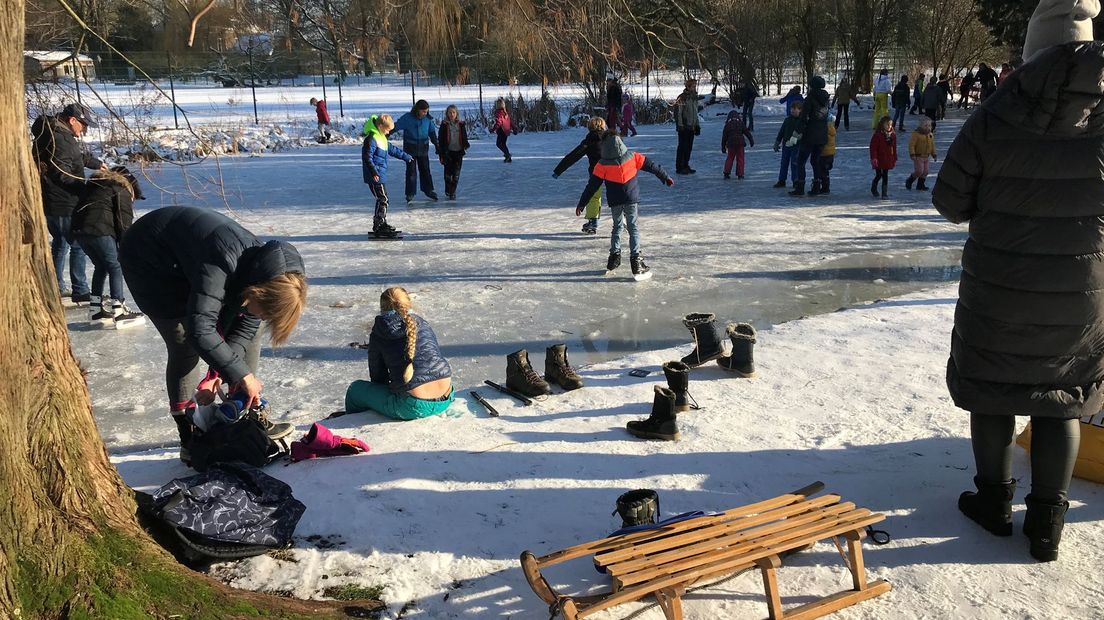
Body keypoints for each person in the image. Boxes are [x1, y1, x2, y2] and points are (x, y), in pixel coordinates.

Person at [933, 0, 1101, 563]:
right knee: (1063, 397)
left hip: (999, 286)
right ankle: (1048, 523)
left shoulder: (997, 112)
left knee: (995, 389)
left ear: (1032, 50)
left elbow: (949, 200)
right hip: (1083, 294)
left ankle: (994, 502)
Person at [118, 207, 307, 464]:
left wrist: (223, 374)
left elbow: (246, 328)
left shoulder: (265, 275)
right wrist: (238, 373)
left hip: (189, 261)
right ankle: (190, 434)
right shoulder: (224, 262)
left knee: (251, 333)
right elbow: (200, 329)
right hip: (150, 262)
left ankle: (245, 415)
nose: (264, 317)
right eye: (266, 312)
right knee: (184, 343)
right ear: (258, 293)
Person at [31, 102, 104, 303]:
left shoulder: (54, 134)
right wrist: (86, 187)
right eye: (84, 124)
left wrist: (94, 163)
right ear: (72, 120)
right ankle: (79, 290)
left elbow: (72, 158)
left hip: (52, 201)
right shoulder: (61, 139)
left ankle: (55, 286)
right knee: (77, 244)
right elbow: (61, 172)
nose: (85, 129)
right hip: (63, 201)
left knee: (61, 243)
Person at [345, 287, 453, 420]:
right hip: (447, 396)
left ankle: (347, 421)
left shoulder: (380, 330)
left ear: (382, 306)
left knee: (355, 390)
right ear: (408, 303)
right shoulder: (421, 322)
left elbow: (378, 377)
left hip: (413, 406)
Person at [577, 133, 674, 279]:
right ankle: (636, 261)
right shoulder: (633, 156)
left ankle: (614, 257)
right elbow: (652, 166)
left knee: (617, 226)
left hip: (615, 200)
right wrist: (665, 177)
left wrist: (582, 203)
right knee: (633, 227)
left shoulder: (602, 164)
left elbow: (592, 186)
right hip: (631, 198)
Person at [71, 166, 146, 329]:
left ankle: (95, 309)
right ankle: (118, 310)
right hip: (99, 230)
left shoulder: (96, 185)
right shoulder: (120, 189)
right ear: (131, 187)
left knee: (101, 266)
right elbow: (123, 221)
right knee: (115, 265)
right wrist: (125, 245)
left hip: (79, 230)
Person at [553, 116, 607, 234]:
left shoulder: (588, 141)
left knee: (593, 195)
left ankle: (593, 222)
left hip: (596, 172)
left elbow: (573, 156)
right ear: (603, 126)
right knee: (616, 193)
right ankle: (622, 219)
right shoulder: (610, 138)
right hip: (612, 170)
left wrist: (558, 170)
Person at [364, 114, 414, 237]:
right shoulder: (372, 139)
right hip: (374, 175)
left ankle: (381, 222)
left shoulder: (382, 138)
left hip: (380, 174)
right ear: (380, 126)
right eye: (387, 130)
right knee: (383, 199)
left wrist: (406, 157)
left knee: (382, 199)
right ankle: (379, 225)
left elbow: (392, 150)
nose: (388, 133)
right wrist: (374, 172)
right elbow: (367, 157)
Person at [391, 99, 439, 203]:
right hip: (410, 149)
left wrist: (436, 145)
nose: (425, 113)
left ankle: (428, 190)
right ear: (417, 109)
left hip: (423, 149)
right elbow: (395, 127)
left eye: (427, 111)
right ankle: (410, 193)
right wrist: (385, 134)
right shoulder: (407, 118)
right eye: (423, 111)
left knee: (425, 170)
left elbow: (432, 133)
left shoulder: (427, 119)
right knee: (411, 172)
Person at [792, 75, 830, 197]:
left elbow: (804, 118)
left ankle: (800, 187)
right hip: (822, 135)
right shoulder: (825, 99)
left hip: (810, 135)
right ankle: (817, 187)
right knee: (815, 161)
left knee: (801, 161)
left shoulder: (810, 98)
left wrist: (796, 133)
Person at [437, 105, 470, 200]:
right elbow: (441, 139)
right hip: (448, 152)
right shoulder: (444, 125)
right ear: (447, 114)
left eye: (453, 112)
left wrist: (465, 144)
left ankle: (452, 192)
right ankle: (448, 189)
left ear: (456, 114)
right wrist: (441, 152)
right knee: (448, 174)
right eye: (450, 112)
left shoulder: (461, 124)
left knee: (456, 174)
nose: (452, 114)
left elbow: (464, 136)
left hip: (459, 152)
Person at [773, 101, 803, 189]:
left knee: (794, 163)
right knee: (784, 163)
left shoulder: (802, 121)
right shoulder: (787, 120)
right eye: (791, 109)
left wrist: (796, 140)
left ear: (800, 110)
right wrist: (777, 142)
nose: (793, 111)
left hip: (796, 146)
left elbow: (802, 133)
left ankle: (795, 181)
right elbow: (781, 132)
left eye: (795, 109)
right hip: (786, 145)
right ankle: (782, 180)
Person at [674, 78, 701, 174]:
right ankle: (679, 167)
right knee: (682, 147)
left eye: (695, 86)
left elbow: (695, 113)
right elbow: (678, 113)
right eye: (693, 86)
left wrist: (697, 125)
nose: (694, 88)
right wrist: (680, 125)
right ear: (688, 87)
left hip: (691, 126)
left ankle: (685, 164)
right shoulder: (682, 98)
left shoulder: (694, 98)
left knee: (689, 147)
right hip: (684, 127)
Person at [868, 115, 897, 200]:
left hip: (887, 159)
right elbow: (873, 147)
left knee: (885, 175)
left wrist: (894, 157)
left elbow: (894, 147)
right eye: (887, 125)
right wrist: (874, 158)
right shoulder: (878, 135)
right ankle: (874, 187)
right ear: (882, 125)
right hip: (879, 159)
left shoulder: (893, 135)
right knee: (879, 175)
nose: (889, 127)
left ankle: (884, 193)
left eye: (890, 125)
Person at [905, 117, 936, 191]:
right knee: (919, 171)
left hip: (926, 156)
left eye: (929, 125)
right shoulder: (916, 134)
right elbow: (911, 145)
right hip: (918, 156)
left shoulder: (930, 135)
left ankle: (920, 185)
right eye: (925, 125)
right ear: (920, 126)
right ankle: (910, 180)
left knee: (925, 171)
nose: (928, 127)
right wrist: (912, 154)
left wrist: (934, 154)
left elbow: (932, 145)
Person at [721, 110, 754, 180]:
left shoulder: (727, 125)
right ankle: (740, 174)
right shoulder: (741, 123)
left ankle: (726, 173)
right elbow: (747, 133)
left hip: (731, 144)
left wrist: (723, 147)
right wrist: (751, 141)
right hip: (740, 144)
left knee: (730, 158)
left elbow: (724, 138)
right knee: (740, 159)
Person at [491, 98, 514, 163]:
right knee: (503, 144)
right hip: (506, 131)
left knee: (498, 144)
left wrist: (493, 129)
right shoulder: (505, 112)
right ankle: (508, 158)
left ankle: (507, 155)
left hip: (502, 130)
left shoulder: (498, 113)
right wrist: (514, 128)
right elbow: (510, 121)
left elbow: (499, 122)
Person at [818, 120, 837, 194]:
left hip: (823, 154)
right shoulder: (831, 130)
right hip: (830, 154)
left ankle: (824, 187)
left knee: (822, 171)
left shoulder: (823, 131)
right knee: (826, 171)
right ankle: (826, 187)